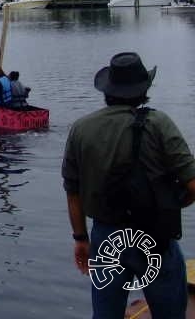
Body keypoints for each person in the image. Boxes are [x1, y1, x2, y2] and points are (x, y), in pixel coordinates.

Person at [62, 52, 195, 319]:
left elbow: (72, 190)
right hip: (155, 235)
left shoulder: (81, 129)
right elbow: (193, 185)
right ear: (144, 90)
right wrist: (172, 203)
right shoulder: (159, 124)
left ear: (108, 91)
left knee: (105, 313)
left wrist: (80, 239)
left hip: (106, 237)